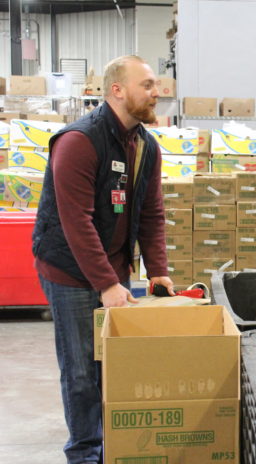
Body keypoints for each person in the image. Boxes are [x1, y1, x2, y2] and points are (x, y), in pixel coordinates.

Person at [32, 55, 175, 464]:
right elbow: (75, 220)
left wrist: (158, 271)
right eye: (147, 85)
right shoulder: (78, 141)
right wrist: (107, 285)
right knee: (80, 372)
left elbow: (151, 214)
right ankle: (84, 452)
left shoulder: (145, 145)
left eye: (156, 85)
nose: (156, 93)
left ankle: (114, 445)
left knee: (111, 366)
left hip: (111, 271)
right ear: (117, 90)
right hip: (70, 272)